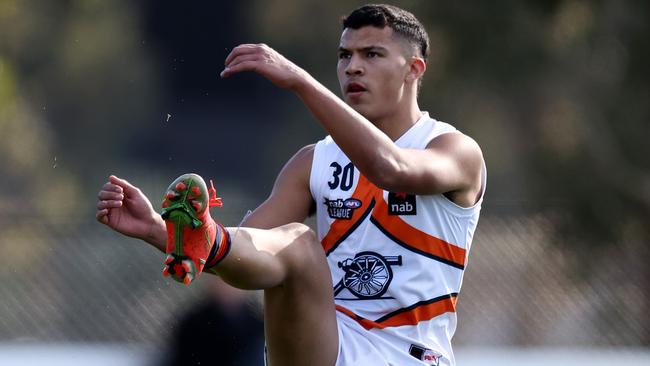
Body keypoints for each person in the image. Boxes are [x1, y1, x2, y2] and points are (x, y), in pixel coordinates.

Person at [96, 4, 485, 366]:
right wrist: (159, 231)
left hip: (407, 356)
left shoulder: (454, 150)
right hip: (327, 344)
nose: (352, 67)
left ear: (414, 69)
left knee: (299, 243)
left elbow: (392, 168)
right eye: (344, 55)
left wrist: (300, 81)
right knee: (290, 245)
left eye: (372, 54)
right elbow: (245, 254)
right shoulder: (314, 161)